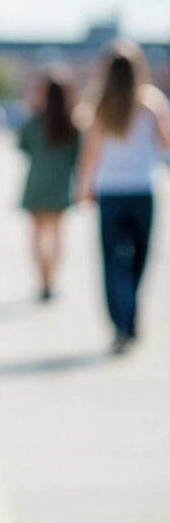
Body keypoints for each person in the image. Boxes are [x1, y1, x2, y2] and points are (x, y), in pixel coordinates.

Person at [75, 38, 170, 353]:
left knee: (112, 261)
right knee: (139, 259)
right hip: (143, 189)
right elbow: (165, 144)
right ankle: (130, 315)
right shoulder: (151, 102)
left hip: (111, 191)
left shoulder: (98, 104)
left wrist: (83, 187)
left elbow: (90, 154)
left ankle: (121, 321)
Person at [17, 66, 81, 300]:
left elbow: (22, 146)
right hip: (61, 187)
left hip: (37, 186)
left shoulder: (35, 122)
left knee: (36, 236)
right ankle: (51, 279)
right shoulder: (74, 125)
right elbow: (79, 157)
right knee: (56, 235)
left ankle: (42, 279)